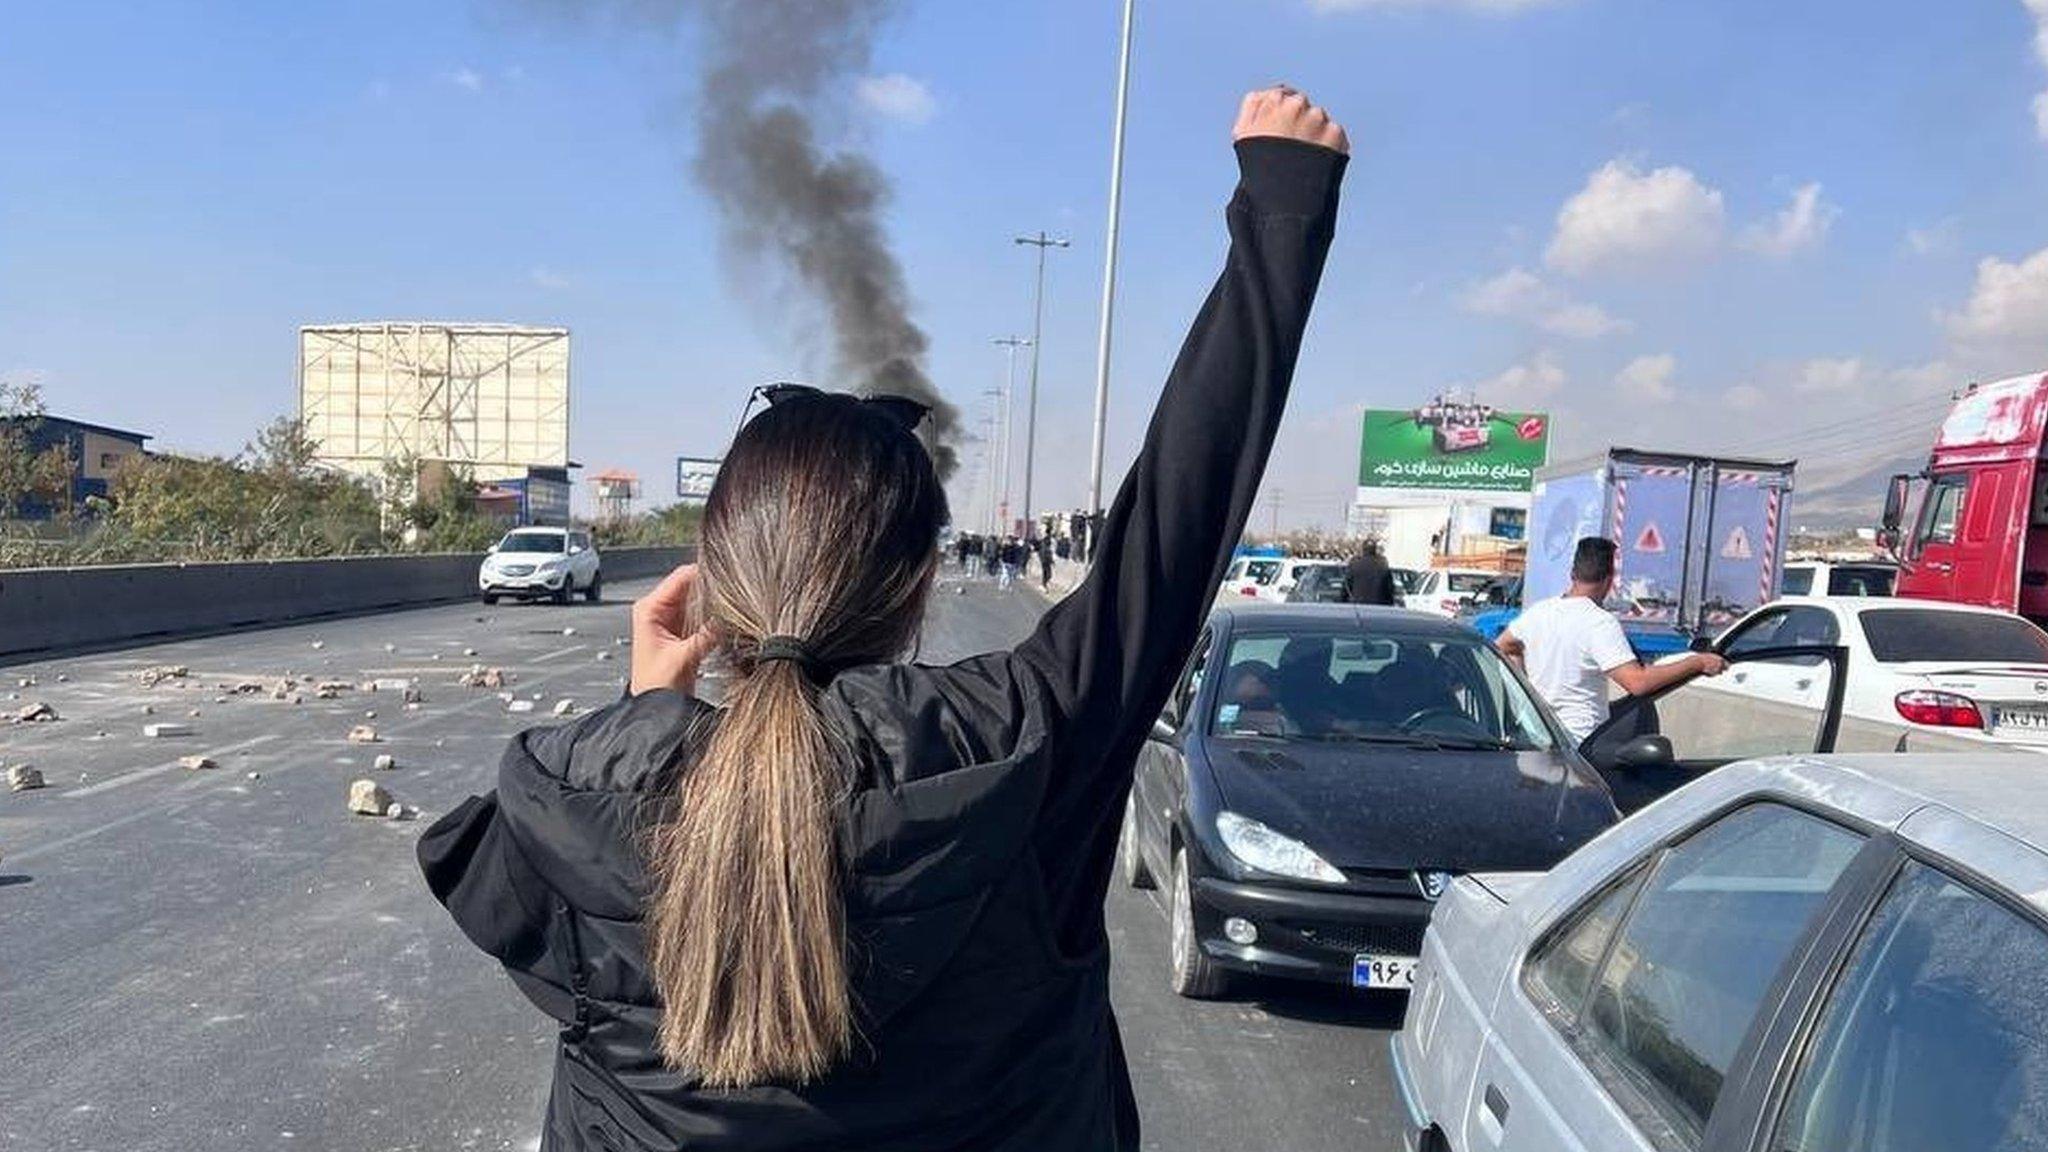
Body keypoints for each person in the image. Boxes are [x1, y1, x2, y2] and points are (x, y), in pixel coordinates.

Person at [416, 86, 1347, 1152]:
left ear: (711, 580)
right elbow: (1174, 530)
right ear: (916, 589)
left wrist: (640, 719)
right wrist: (1281, 210)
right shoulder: (1017, 737)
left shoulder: (565, 789)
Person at [1497, 536, 1727, 744]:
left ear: (1572, 574)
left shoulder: (1539, 612)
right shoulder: (1598, 622)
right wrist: (1698, 663)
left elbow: (1503, 646)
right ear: (1609, 580)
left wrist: (1526, 692)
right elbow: (1638, 683)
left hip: (1539, 737)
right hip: (1581, 742)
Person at [1344, 537, 1398, 605]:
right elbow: (1389, 588)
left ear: (1363, 549)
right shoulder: (1382, 564)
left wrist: (1344, 601)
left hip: (1358, 607)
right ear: (1375, 550)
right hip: (1379, 606)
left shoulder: (1355, 564)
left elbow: (1347, 586)